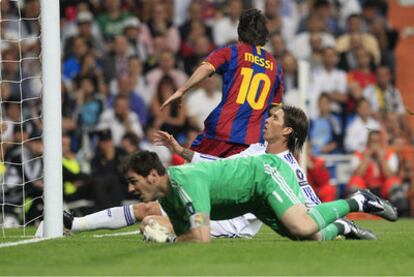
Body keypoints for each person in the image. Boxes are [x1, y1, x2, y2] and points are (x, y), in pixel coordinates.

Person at [62, 105, 376, 241]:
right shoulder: (255, 151)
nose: (266, 120)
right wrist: (181, 150)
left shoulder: (290, 170)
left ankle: (348, 220)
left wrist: (333, 218)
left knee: (153, 221)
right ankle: (75, 223)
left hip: (230, 223)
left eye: (274, 118)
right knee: (150, 211)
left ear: (287, 130)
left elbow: (309, 206)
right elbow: (216, 166)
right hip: (214, 202)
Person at [160, 8, 284, 158]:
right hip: (251, 142)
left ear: (240, 32)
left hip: (221, 131)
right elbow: (275, 110)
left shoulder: (234, 51)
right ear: (265, 35)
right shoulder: (274, 65)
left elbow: (207, 67)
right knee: (233, 180)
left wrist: (182, 90)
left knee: (195, 171)